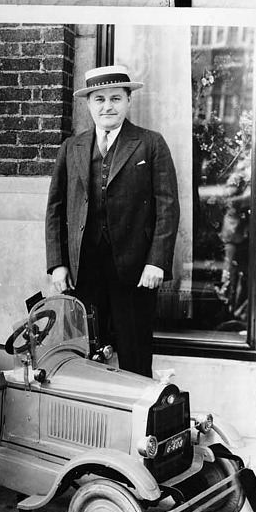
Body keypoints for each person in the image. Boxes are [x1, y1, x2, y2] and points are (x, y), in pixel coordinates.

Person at [45, 65, 179, 378]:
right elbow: (55, 209)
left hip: (134, 271)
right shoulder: (71, 148)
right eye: (100, 99)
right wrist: (57, 264)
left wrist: (156, 262)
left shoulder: (150, 143)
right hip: (85, 271)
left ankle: (137, 422)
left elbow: (168, 208)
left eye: (116, 98)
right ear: (89, 104)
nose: (108, 106)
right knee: (87, 353)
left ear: (128, 100)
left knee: (134, 353)